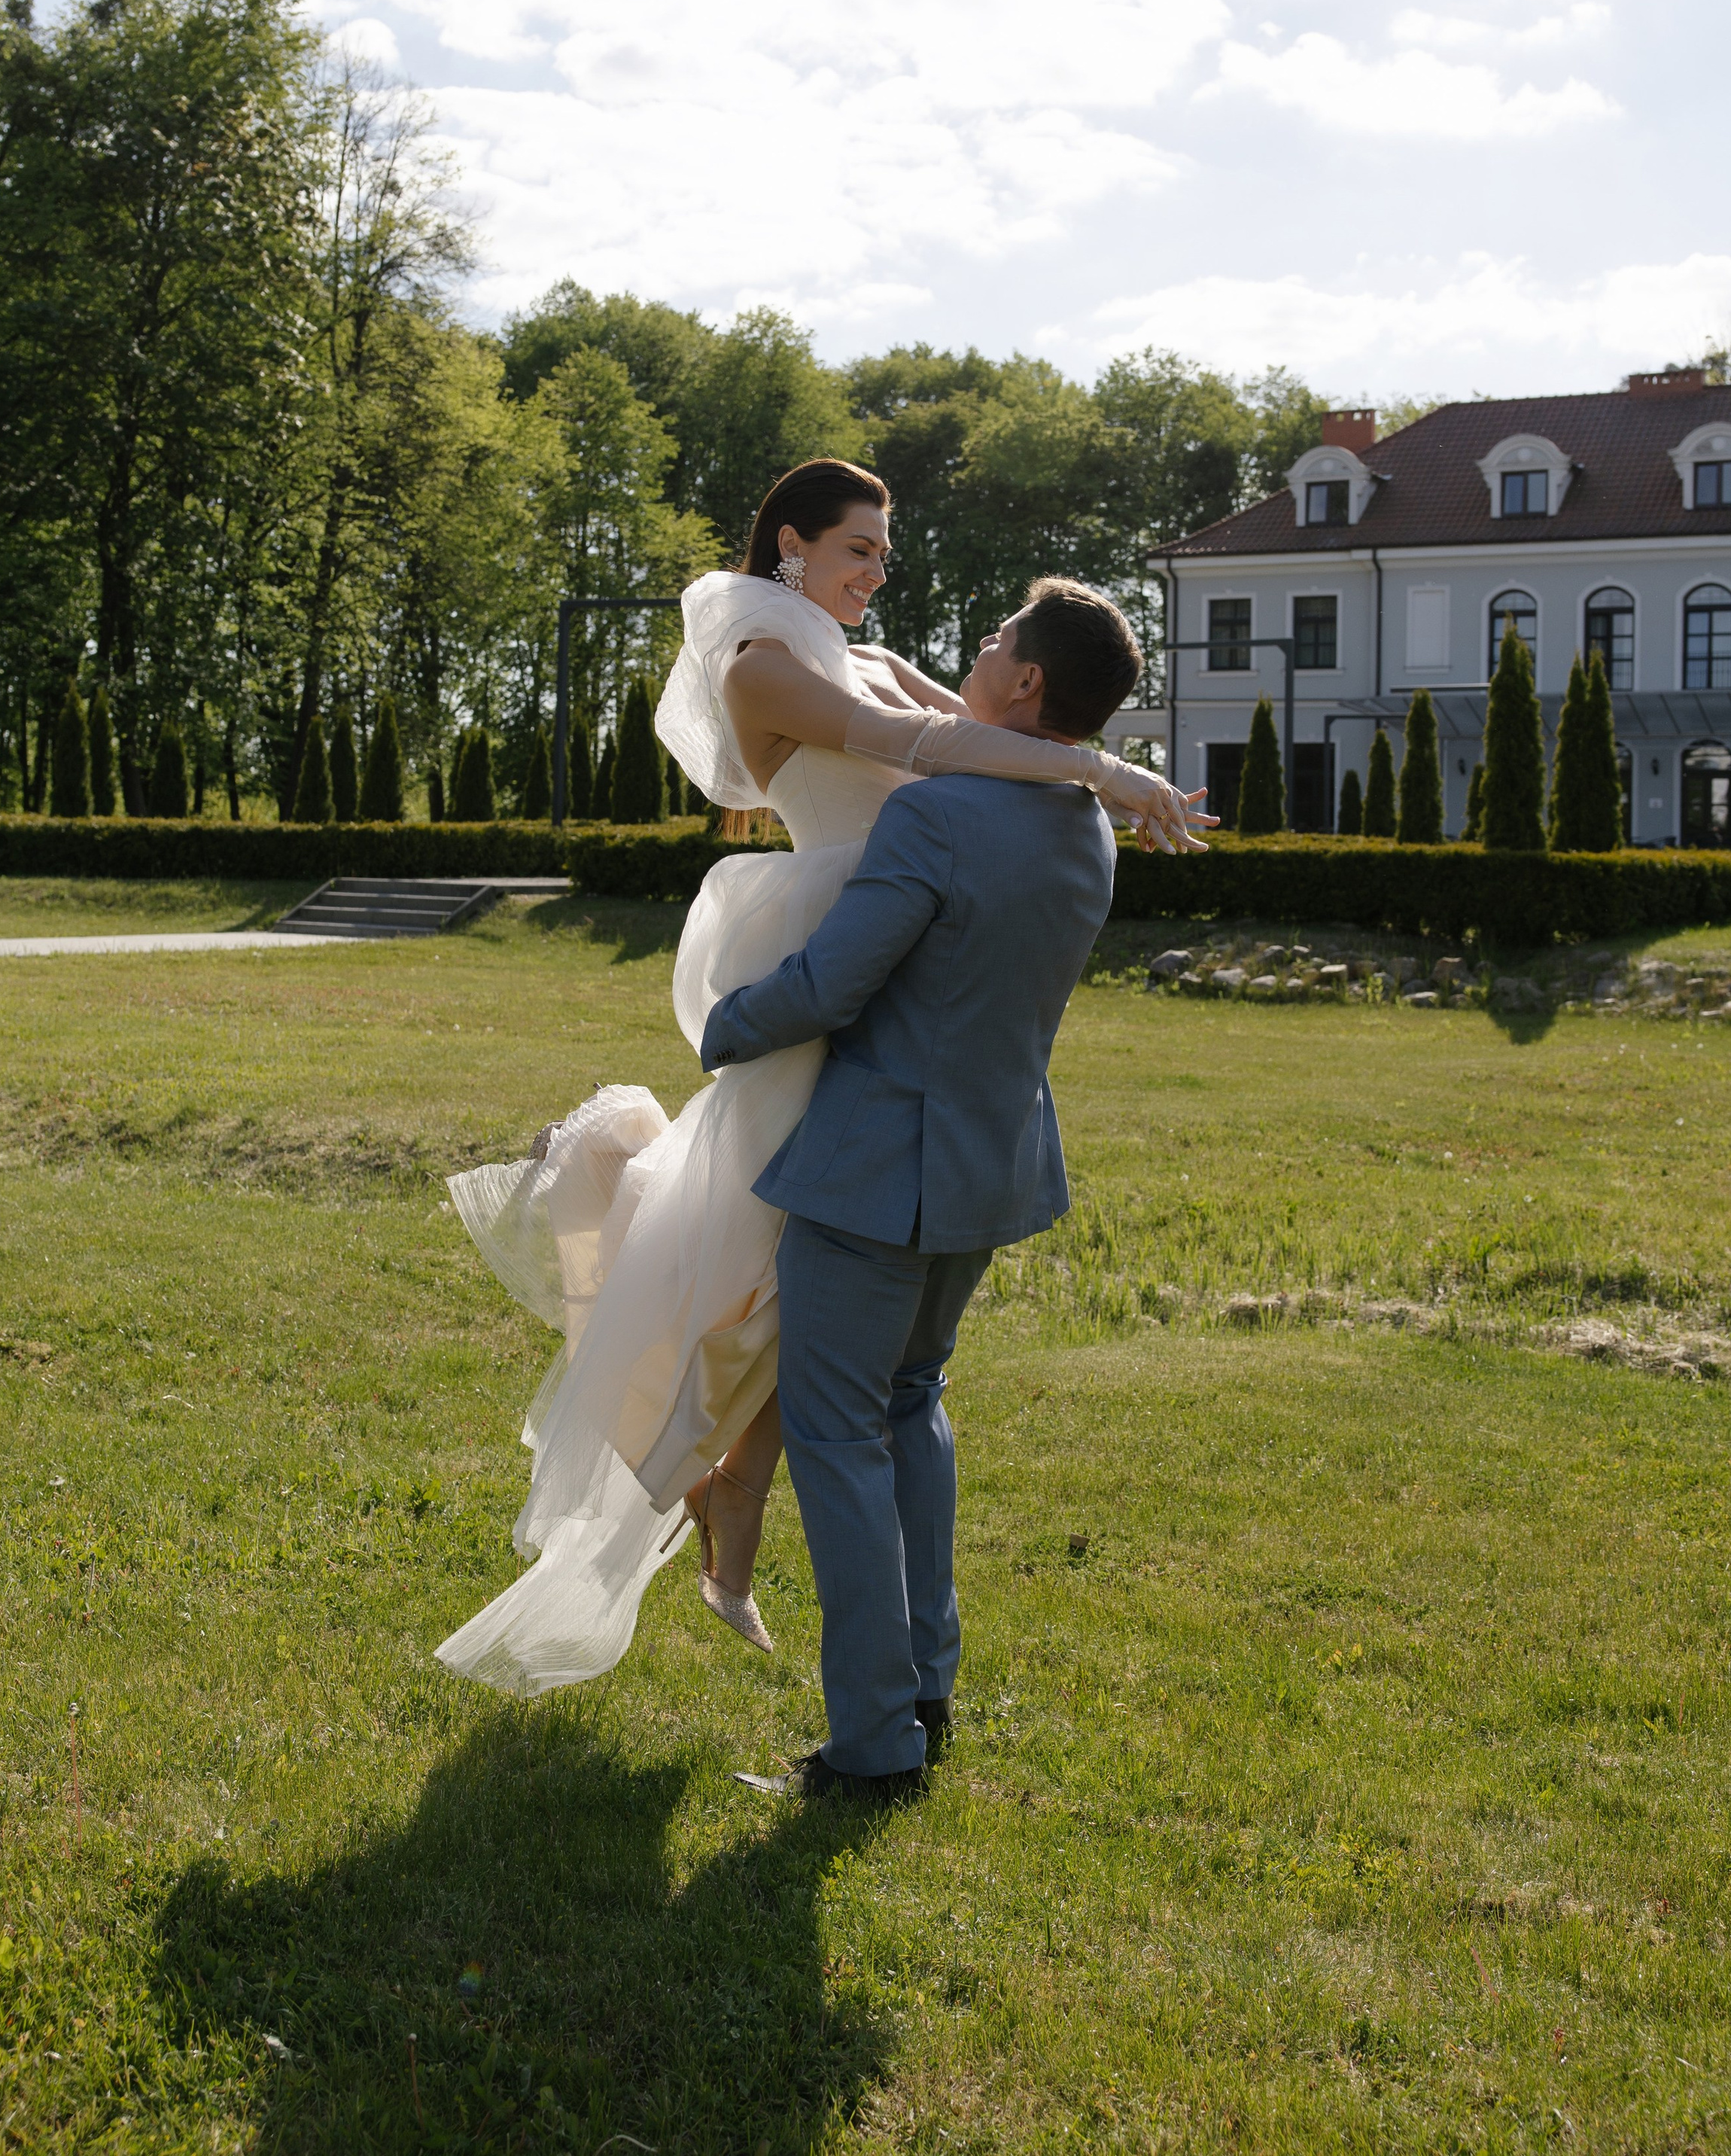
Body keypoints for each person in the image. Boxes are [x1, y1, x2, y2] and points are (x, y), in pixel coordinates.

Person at [437, 459, 1204, 1696]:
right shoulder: (760, 662)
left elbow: (970, 724)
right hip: (826, 943)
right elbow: (930, 742)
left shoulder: (859, 649)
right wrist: (1108, 773)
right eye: (859, 550)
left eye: (886, 553)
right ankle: (622, 1214)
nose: (877, 573)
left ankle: (734, 1489)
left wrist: (1093, 765)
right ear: (789, 544)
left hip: (897, 950)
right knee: (756, 1254)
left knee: (784, 1263)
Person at [698, 578, 1139, 1799]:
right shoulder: (1081, 821)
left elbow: (834, 983)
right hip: (992, 1168)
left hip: (876, 1171)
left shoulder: (943, 813)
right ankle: (927, 1689)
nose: (983, 647)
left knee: (837, 1438)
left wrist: (720, 1023)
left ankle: (874, 1744)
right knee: (912, 1406)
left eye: (999, 639)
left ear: (1028, 685)